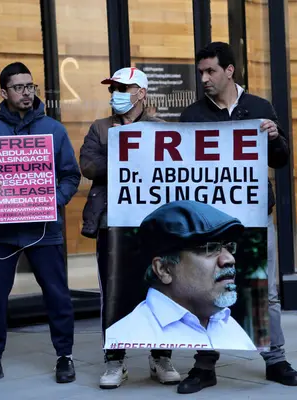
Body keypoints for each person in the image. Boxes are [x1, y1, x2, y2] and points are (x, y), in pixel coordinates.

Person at [176, 41, 297, 395]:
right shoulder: (192, 116)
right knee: (204, 290)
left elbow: (280, 159)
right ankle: (204, 365)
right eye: (200, 72)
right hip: (210, 222)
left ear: (229, 70)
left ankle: (275, 358)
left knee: (268, 290)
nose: (204, 78)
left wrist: (276, 137)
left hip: (255, 217)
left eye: (210, 71)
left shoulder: (259, 107)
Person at [0, 62, 81, 386]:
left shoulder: (54, 130)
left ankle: (65, 356)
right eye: (18, 87)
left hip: (44, 231)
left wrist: (53, 199)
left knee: (57, 295)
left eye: (30, 86)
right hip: (1, 233)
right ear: (3, 93)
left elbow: (71, 175)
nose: (26, 92)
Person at [79, 67, 181, 389]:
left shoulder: (161, 130)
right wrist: (126, 154)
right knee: (114, 293)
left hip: (153, 225)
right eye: (113, 88)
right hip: (112, 223)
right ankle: (115, 360)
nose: (116, 94)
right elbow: (88, 164)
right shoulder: (99, 128)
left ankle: (161, 356)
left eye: (123, 88)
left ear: (141, 93)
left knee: (161, 289)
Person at [104, 200, 256, 351]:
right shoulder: (125, 335)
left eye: (229, 248)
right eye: (210, 248)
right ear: (164, 269)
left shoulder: (229, 325)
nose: (229, 259)